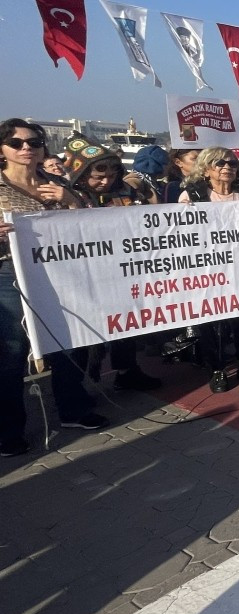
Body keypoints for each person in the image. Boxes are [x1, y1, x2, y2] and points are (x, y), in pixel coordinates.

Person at [0, 118, 106, 457]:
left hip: (57, 274)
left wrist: (70, 199)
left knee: (64, 342)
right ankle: (8, 431)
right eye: (16, 143)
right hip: (8, 275)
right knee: (12, 353)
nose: (26, 148)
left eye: (33, 142)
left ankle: (73, 410)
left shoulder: (58, 182)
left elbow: (88, 227)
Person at [63, 138, 163, 392]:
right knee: (84, 332)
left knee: (127, 324)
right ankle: (76, 388)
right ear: (82, 173)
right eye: (98, 176)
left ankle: (127, 371)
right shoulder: (69, 195)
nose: (106, 181)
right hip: (84, 275)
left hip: (123, 272)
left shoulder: (126, 192)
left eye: (112, 174)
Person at [178, 147, 239, 393]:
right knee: (212, 321)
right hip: (207, 268)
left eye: (232, 164)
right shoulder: (193, 195)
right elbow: (178, 231)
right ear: (207, 167)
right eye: (220, 163)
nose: (227, 168)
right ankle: (217, 369)